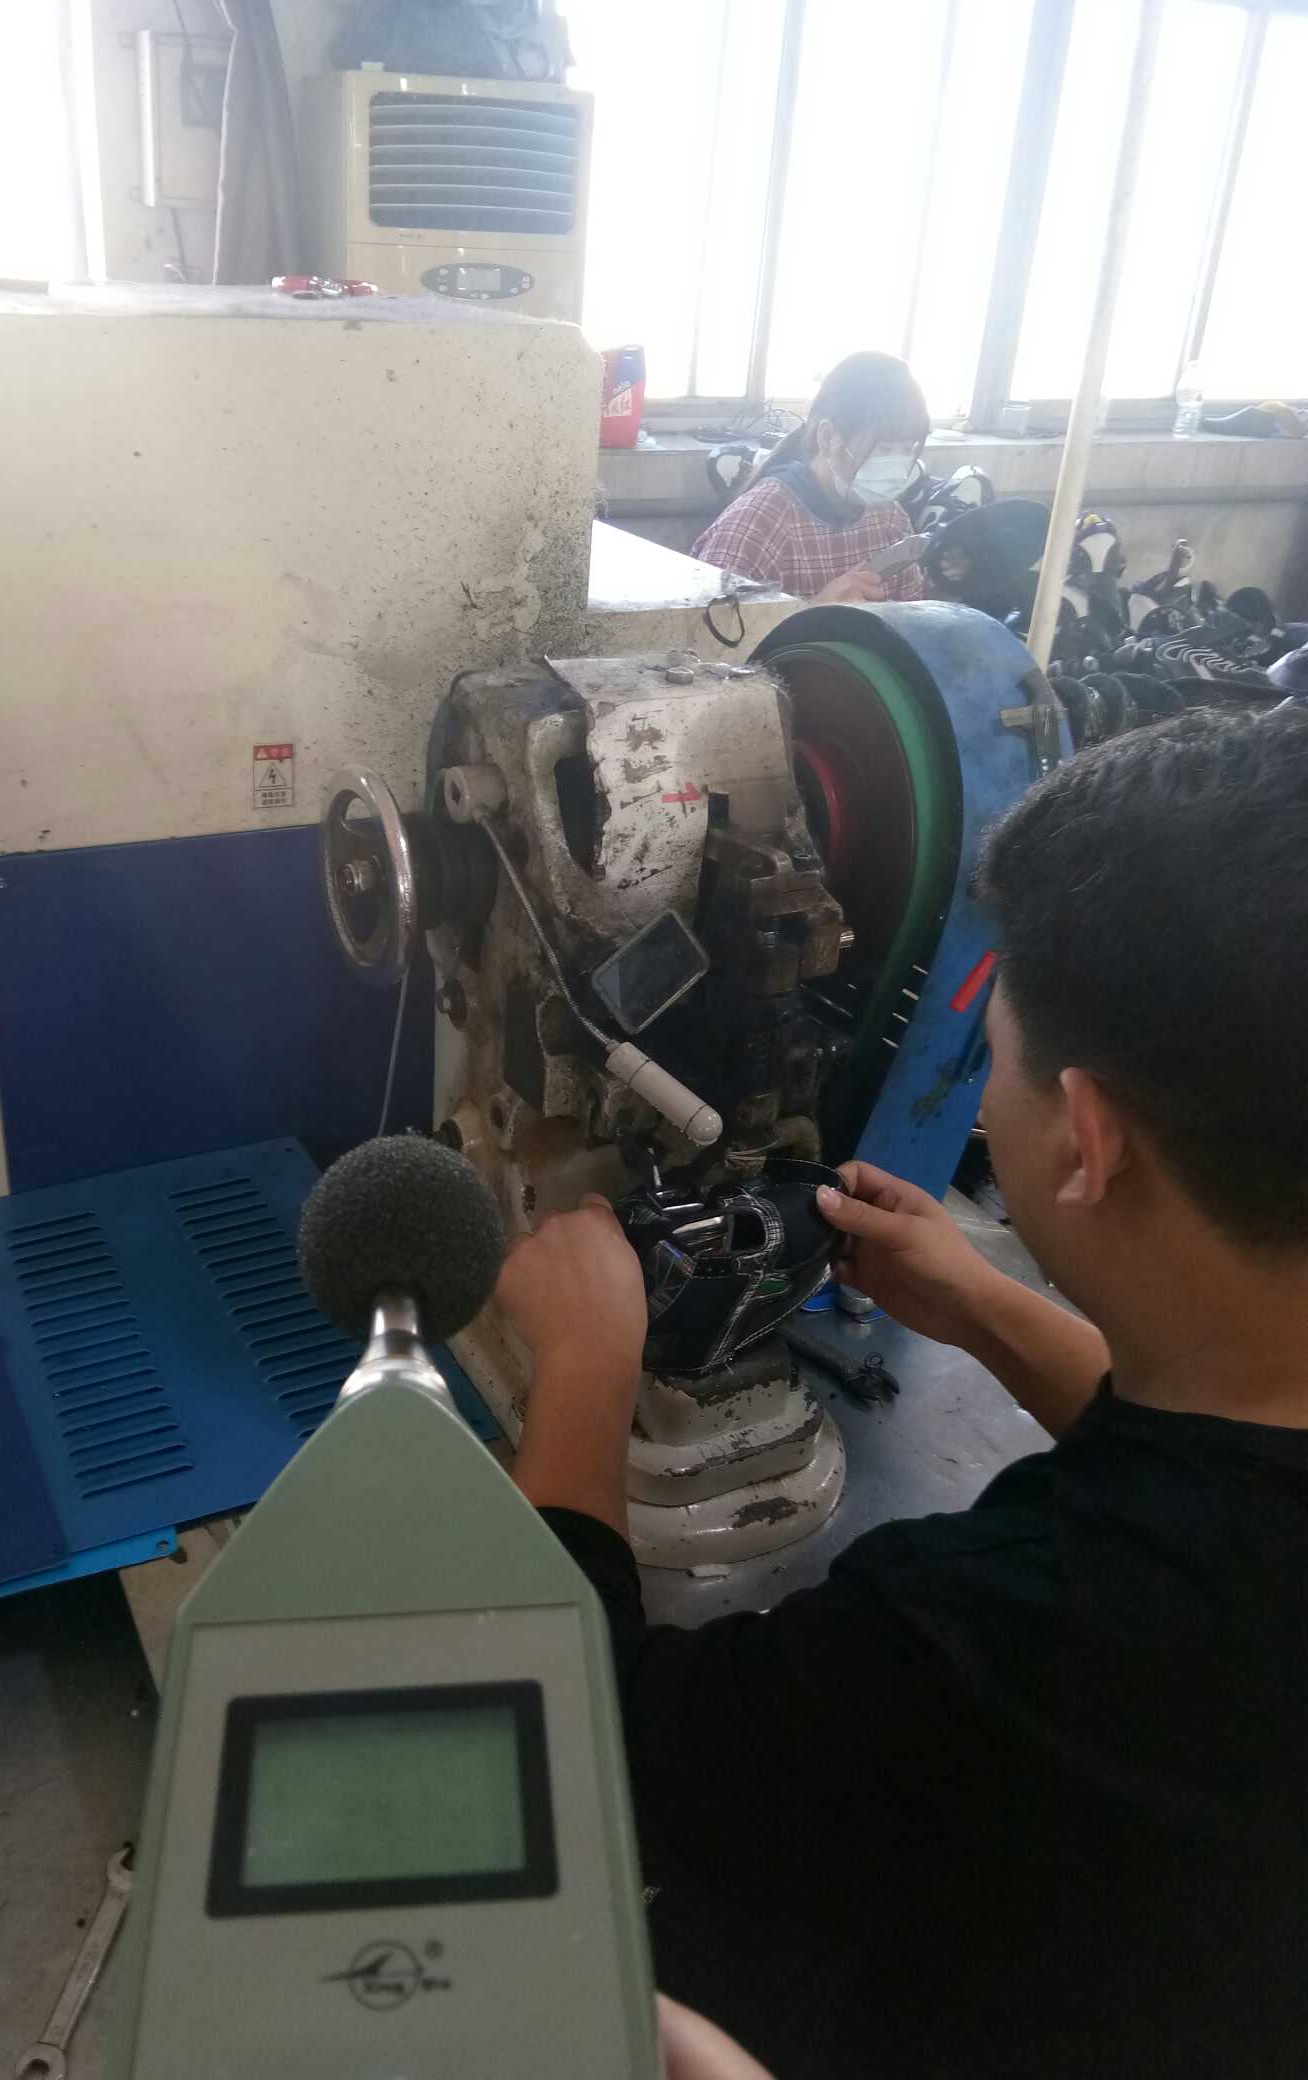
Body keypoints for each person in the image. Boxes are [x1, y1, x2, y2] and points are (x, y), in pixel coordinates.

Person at [497, 707, 1308, 2080]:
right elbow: (1221, 1476)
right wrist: (993, 1308)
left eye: (993, 1058)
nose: (982, 1098)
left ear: (1089, 1140)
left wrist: (582, 1371)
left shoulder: (998, 1637)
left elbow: (572, 1750)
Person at [691, 351, 930, 605]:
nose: (894, 465)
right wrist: (814, 610)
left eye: (907, 449)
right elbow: (704, 624)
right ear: (827, 437)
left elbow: (914, 616)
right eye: (884, 448)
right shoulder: (756, 524)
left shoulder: (889, 519)